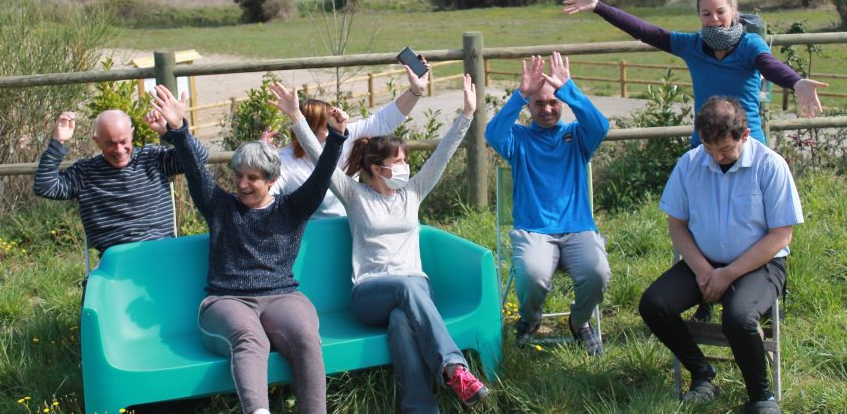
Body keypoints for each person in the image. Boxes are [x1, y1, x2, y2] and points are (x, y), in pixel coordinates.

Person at [270, 75, 489, 414]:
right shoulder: (354, 195)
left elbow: (443, 154)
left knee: (402, 321)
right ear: (376, 168)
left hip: (415, 292)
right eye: (398, 162)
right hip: (370, 293)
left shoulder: (413, 192)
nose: (406, 167)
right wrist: (296, 117)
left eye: (406, 160)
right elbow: (319, 157)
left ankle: (419, 407)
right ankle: (452, 366)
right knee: (405, 287)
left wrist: (467, 114)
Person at [150, 84, 344, 414]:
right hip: (227, 300)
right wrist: (179, 129)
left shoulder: (292, 208)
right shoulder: (219, 206)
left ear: (271, 181)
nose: (242, 184)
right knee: (250, 337)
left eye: (252, 178)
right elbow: (195, 171)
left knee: (306, 336)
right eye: (239, 175)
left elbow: (322, 174)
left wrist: (336, 137)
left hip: (282, 295)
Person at [638, 96, 802, 414]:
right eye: (709, 148)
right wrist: (702, 269)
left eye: (725, 149)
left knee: (738, 319)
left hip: (761, 263)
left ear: (745, 135)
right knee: (653, 305)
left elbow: (781, 235)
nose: (716, 157)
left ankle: (761, 397)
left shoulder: (771, 165)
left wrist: (729, 274)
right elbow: (677, 225)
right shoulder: (689, 163)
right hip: (704, 261)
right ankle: (702, 374)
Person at [562, 0, 828, 147]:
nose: (714, 18)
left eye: (720, 11)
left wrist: (796, 82)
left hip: (747, 141)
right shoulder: (691, 45)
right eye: (707, 13)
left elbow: (768, 64)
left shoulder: (749, 44)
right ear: (699, 15)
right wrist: (599, 7)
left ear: (733, 11)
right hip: (705, 142)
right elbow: (646, 31)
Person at [485, 51, 610, 355]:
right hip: (533, 230)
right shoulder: (518, 139)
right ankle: (530, 320)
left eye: (554, 102)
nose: (547, 109)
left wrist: (569, 89)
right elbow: (493, 133)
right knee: (531, 275)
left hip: (578, 229)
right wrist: (519, 94)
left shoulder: (577, 136)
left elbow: (600, 126)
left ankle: (579, 321)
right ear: (529, 106)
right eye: (539, 103)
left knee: (597, 273)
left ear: (562, 103)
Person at [33, 105, 208, 255]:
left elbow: (199, 157)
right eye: (110, 143)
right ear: (97, 141)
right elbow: (45, 187)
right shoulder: (85, 173)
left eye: (124, 141)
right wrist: (58, 141)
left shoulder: (152, 158)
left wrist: (171, 131)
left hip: (162, 251)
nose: (119, 150)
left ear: (132, 134)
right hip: (117, 260)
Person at [268, 59, 431, 218]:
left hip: (351, 225)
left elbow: (384, 121)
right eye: (329, 121)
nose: (336, 121)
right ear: (316, 130)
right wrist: (262, 156)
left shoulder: (346, 135)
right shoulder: (285, 161)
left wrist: (415, 91)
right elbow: (264, 196)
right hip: (308, 231)